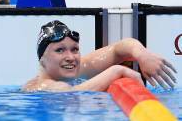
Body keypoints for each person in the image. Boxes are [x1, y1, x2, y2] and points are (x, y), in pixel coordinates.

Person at [23, 20, 177, 92]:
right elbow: (73, 92)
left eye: (74, 49)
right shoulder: (43, 86)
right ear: (42, 60)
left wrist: (142, 54)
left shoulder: (74, 69)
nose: (70, 57)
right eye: (60, 50)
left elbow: (119, 49)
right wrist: (117, 71)